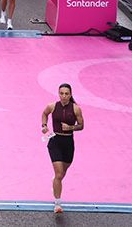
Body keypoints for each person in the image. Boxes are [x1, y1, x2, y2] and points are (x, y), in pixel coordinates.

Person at [41, 83, 84, 214]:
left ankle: (55, 182)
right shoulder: (52, 106)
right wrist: (44, 125)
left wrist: (71, 128)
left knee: (61, 174)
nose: (64, 96)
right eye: (61, 93)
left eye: (66, 94)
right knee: (59, 174)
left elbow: (81, 125)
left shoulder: (76, 109)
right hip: (55, 141)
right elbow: (44, 113)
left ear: (70, 95)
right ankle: (57, 203)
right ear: (58, 94)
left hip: (68, 143)